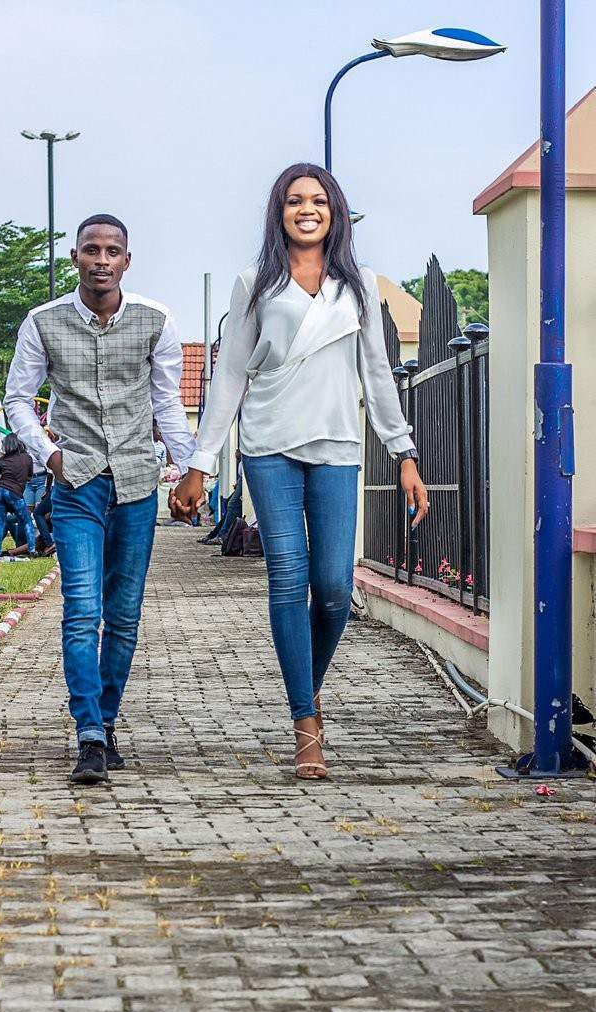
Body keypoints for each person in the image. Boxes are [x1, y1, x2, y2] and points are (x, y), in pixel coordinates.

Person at [173, 163, 429, 781]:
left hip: (338, 443)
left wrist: (405, 453)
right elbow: (231, 374)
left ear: (335, 212)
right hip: (270, 444)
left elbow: (376, 374)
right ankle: (305, 722)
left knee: (336, 589)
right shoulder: (254, 284)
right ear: (278, 212)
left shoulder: (360, 286)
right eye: (294, 201)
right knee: (288, 577)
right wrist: (200, 465)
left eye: (317, 200)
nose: (306, 209)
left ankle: (306, 689)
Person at [4, 212, 196, 784]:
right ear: (76, 258)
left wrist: (189, 470)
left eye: (113, 251)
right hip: (76, 485)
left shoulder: (155, 321)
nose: (102, 260)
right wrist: (50, 456)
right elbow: (18, 399)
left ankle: (107, 721)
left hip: (137, 485)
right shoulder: (44, 322)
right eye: (92, 250)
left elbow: (166, 404)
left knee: (125, 615)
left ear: (127, 261)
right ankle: (88, 733)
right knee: (82, 609)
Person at [0, 433, 37, 557]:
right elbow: (29, 477)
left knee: (0, 522)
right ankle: (32, 550)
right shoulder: (27, 458)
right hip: (14, 492)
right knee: (27, 521)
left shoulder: (3, 460)